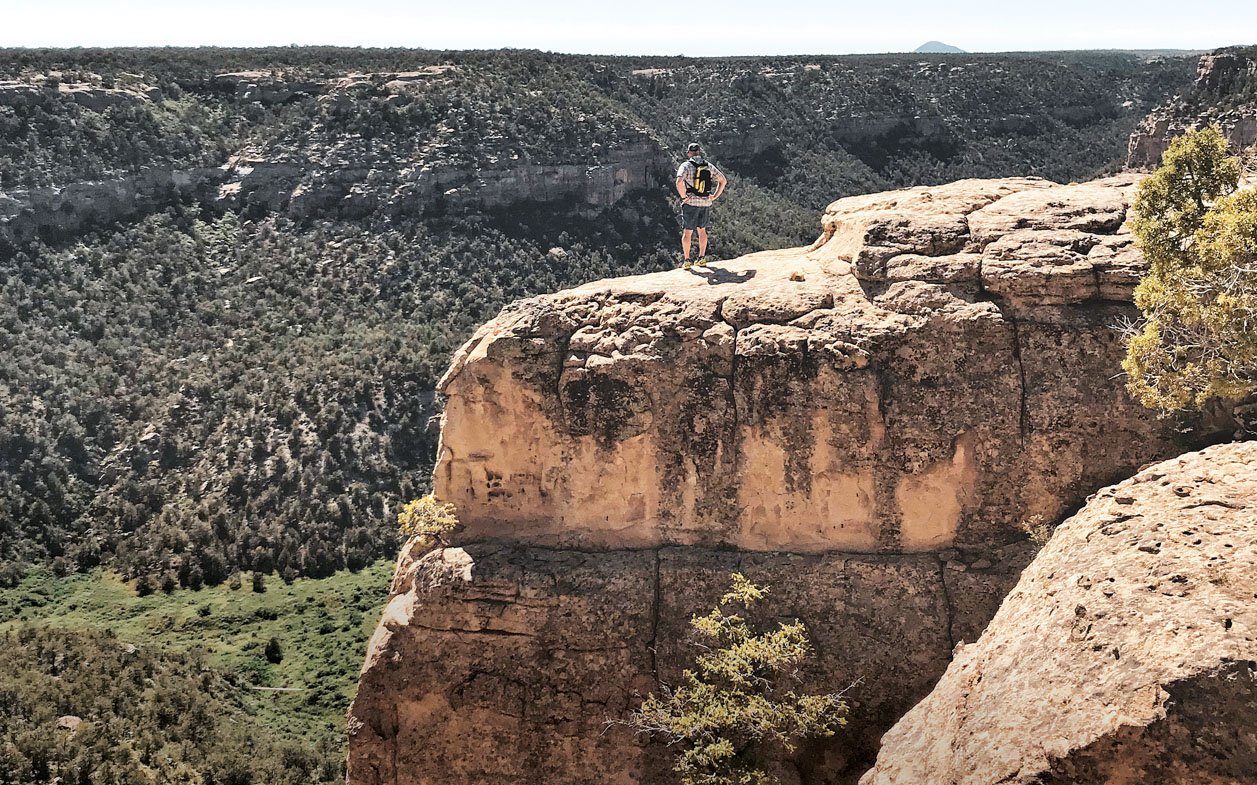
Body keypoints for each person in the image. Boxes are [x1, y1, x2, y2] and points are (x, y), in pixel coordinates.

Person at [675, 142, 727, 268]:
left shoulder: (685, 166)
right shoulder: (708, 166)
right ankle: (701, 258)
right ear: (699, 152)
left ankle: (687, 260)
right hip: (705, 203)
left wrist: (683, 197)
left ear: (689, 153)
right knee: (702, 230)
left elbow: (679, 182)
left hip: (691, 203)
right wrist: (714, 196)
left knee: (687, 232)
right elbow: (723, 180)